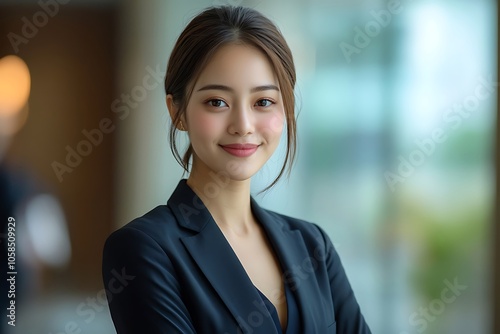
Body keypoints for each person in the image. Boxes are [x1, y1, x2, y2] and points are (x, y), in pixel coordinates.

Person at [102, 5, 371, 334]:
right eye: (217, 101)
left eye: (263, 102)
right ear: (178, 111)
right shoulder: (144, 249)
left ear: (285, 108)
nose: (243, 125)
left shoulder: (313, 245)